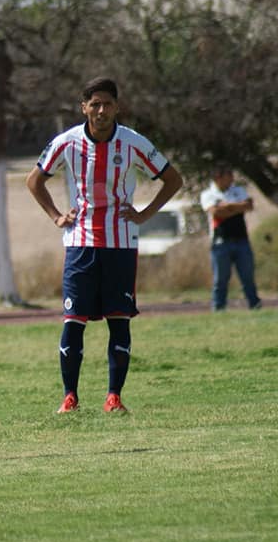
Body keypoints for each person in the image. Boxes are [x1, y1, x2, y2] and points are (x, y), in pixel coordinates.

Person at [26, 77, 183, 414]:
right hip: (80, 243)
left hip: (121, 244)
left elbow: (173, 179)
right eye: (94, 104)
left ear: (117, 107)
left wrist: (145, 214)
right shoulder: (66, 142)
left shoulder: (133, 143)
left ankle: (114, 397)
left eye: (107, 104)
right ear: (84, 107)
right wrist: (56, 216)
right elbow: (34, 180)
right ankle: (70, 397)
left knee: (119, 320)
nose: (101, 110)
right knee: (73, 320)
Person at [199, 164, 262, 311]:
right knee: (220, 278)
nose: (232, 179)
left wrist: (228, 207)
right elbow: (216, 212)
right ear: (218, 178)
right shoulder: (208, 194)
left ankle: (254, 304)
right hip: (220, 243)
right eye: (229, 176)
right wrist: (237, 207)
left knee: (247, 276)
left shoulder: (238, 190)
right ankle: (219, 307)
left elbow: (248, 205)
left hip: (241, 240)